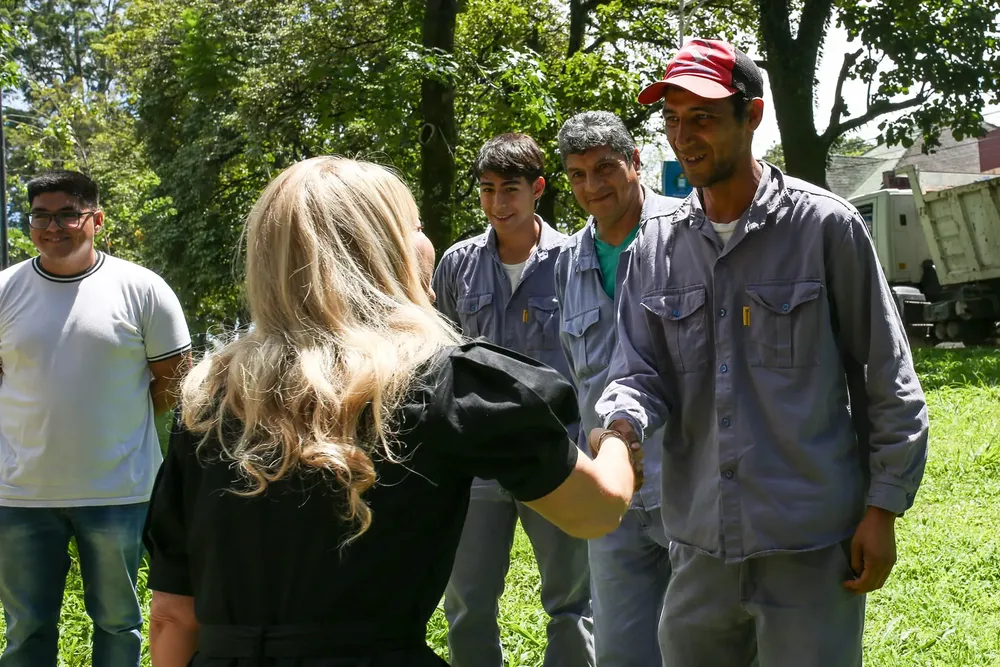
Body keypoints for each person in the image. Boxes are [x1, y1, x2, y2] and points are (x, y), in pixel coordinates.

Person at [142, 156, 641, 667]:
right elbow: (596, 509)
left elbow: (171, 617)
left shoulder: (209, 400)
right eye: (416, 227)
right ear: (380, 250)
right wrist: (616, 439)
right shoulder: (446, 384)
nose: (427, 242)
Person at [594, 39, 929, 667]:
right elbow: (637, 371)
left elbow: (886, 375)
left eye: (702, 118)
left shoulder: (825, 228)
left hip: (808, 545)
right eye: (672, 119)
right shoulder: (654, 248)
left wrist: (883, 509)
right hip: (699, 546)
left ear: (752, 116)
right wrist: (622, 426)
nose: (683, 137)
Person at [0, 170, 192, 667]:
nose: (52, 227)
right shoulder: (5, 290)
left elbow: (173, 379)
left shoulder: (142, 289)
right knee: (25, 631)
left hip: (118, 492)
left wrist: (116, 423)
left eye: (67, 214)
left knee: (118, 624)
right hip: (21, 494)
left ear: (97, 219)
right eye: (40, 216)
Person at [432, 133, 595, 667]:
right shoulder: (456, 265)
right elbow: (439, 356)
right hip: (476, 462)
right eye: (487, 190)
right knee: (467, 603)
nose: (498, 203)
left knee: (572, 603)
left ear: (538, 189)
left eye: (510, 189)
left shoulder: (575, 260)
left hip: (555, 454)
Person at [553, 111, 682, 667]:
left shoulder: (685, 234)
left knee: (700, 644)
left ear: (635, 162)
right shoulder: (567, 262)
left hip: (689, 488)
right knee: (620, 651)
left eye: (605, 168)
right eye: (578, 175)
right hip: (610, 495)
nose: (592, 186)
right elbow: (575, 375)